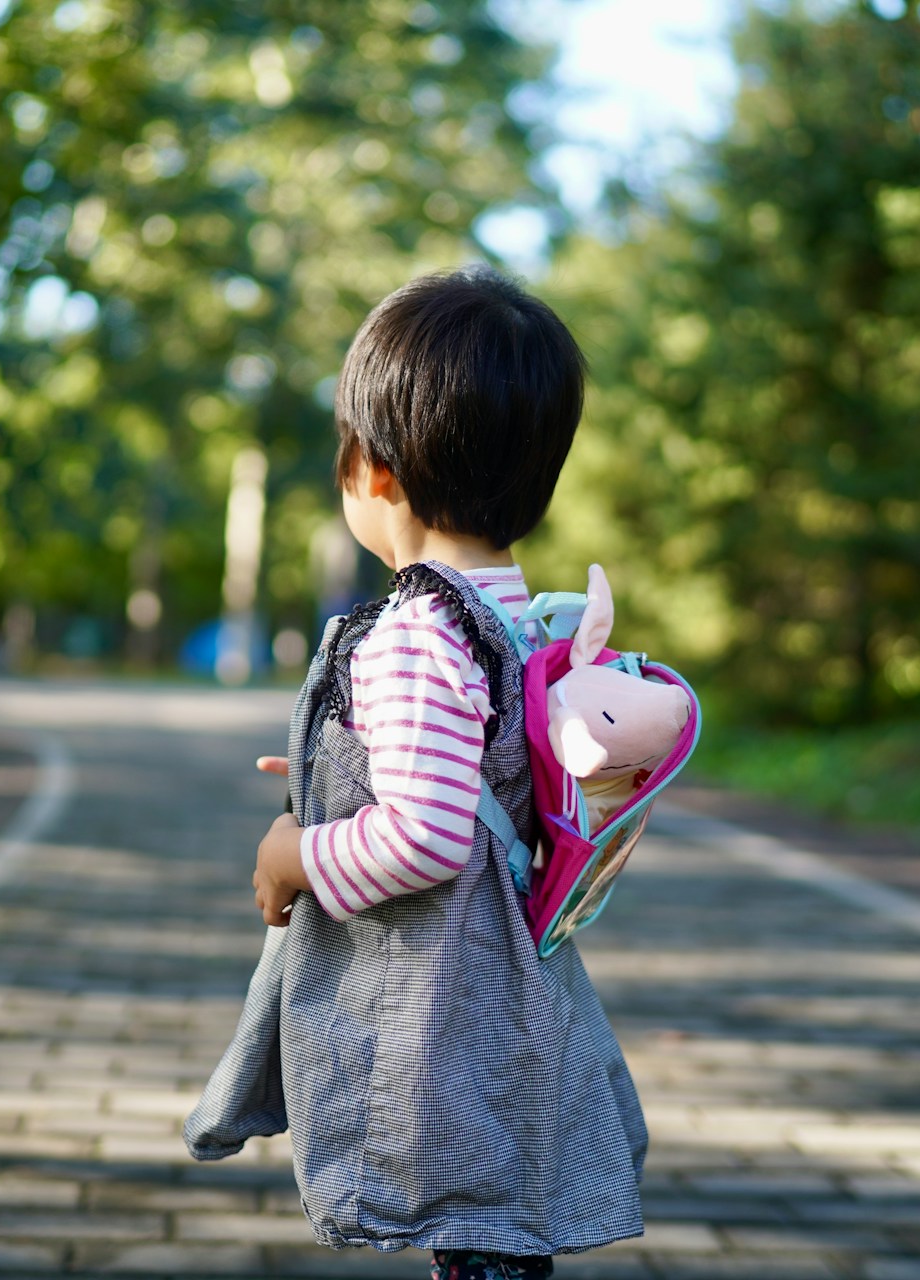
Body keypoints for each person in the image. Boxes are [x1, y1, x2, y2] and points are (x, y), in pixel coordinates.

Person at [184, 266, 647, 1280]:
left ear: (378, 471)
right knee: (498, 1229)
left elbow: (428, 835)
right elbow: (474, 777)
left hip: (445, 1012)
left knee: (477, 1232)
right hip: (512, 988)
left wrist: (296, 851)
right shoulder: (532, 618)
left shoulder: (412, 632)